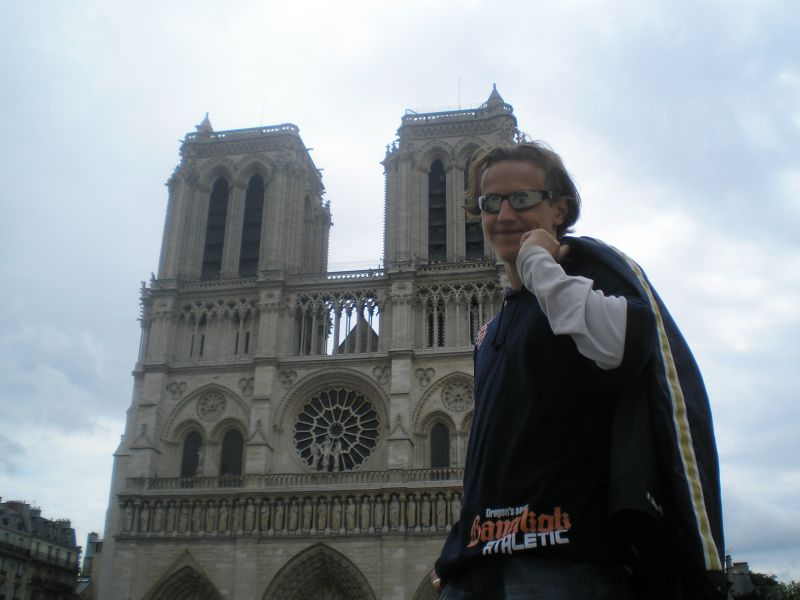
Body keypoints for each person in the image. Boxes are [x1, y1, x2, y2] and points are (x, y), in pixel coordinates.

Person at [431, 142, 725, 599]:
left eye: (522, 199)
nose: (504, 215)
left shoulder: (590, 276)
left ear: (560, 209)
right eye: (490, 203)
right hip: (476, 565)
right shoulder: (491, 330)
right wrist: (456, 546)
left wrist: (536, 261)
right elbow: (494, 454)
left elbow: (623, 345)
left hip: (562, 558)